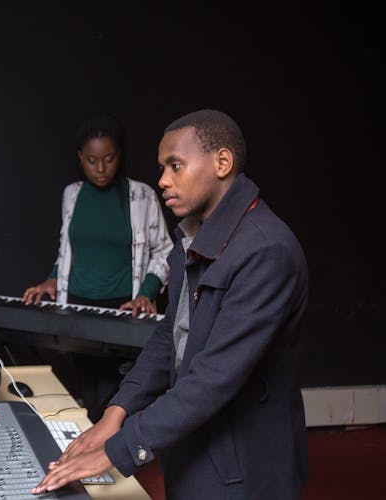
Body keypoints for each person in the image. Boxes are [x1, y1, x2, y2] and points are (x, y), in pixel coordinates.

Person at [32, 109, 310, 499]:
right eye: (163, 167)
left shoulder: (266, 250)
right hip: (197, 452)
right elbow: (169, 337)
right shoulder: (197, 238)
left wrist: (116, 451)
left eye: (175, 166)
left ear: (222, 162)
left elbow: (214, 377)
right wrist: (115, 415)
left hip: (243, 471)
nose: (163, 180)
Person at [20, 114, 173, 421]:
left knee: (112, 395)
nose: (100, 169)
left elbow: (165, 250)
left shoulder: (142, 196)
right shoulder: (72, 195)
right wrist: (51, 280)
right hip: (77, 307)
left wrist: (147, 292)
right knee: (89, 390)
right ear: (80, 158)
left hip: (123, 310)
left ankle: (111, 458)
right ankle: (96, 460)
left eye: (108, 159)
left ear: (119, 156)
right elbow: (68, 249)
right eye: (91, 160)